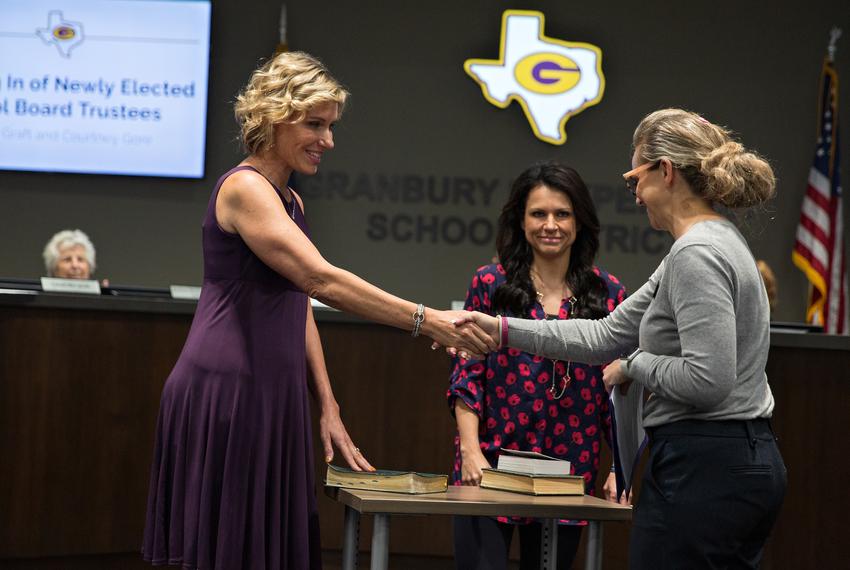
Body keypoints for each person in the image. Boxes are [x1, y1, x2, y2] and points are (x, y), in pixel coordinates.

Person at [141, 51, 494, 570]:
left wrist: (327, 404)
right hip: (229, 390)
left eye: (330, 126)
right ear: (274, 118)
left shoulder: (292, 201)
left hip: (274, 392)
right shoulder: (245, 188)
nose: (327, 140)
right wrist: (428, 320)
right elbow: (319, 280)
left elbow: (298, 304)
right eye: (315, 124)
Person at [457, 109, 787, 569]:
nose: (634, 194)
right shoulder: (710, 241)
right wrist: (501, 328)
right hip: (733, 461)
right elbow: (606, 334)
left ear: (665, 172)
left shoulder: (696, 253)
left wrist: (635, 365)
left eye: (635, 178)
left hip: (705, 465)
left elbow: (709, 380)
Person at [447, 162, 627, 570]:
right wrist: (470, 452)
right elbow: (466, 376)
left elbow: (615, 394)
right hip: (489, 463)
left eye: (562, 214)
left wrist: (620, 467)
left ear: (579, 222)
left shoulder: (608, 293)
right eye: (538, 214)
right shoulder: (490, 283)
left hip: (569, 470)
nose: (550, 225)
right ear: (521, 220)